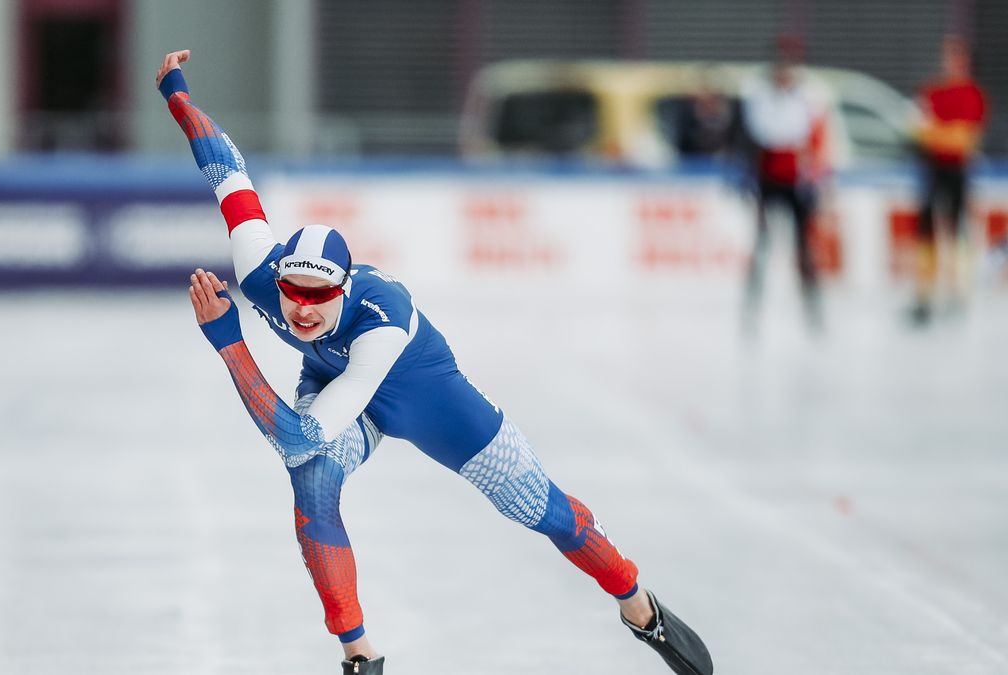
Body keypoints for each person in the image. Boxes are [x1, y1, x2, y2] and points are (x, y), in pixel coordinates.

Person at [157, 50, 712, 675]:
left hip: (426, 397)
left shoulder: (381, 322)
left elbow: (292, 434)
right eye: (292, 293)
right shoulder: (260, 270)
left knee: (545, 512)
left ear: (344, 290)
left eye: (318, 298)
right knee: (312, 481)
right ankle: (360, 656)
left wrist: (230, 341)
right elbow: (226, 169)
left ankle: (640, 607)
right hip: (334, 382)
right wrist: (178, 99)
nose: (301, 311)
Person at [739, 34, 830, 334]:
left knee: (804, 248)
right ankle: (751, 311)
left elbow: (814, 141)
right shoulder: (759, 94)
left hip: (797, 182)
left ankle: (813, 311)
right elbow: (761, 134)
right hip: (768, 179)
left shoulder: (809, 95)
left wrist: (817, 179)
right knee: (761, 245)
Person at [909, 34, 988, 325]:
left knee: (956, 232)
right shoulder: (932, 91)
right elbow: (919, 131)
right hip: (933, 170)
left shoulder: (972, 94)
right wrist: (944, 134)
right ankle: (924, 295)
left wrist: (938, 134)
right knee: (926, 233)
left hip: (957, 171)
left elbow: (964, 139)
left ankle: (957, 292)